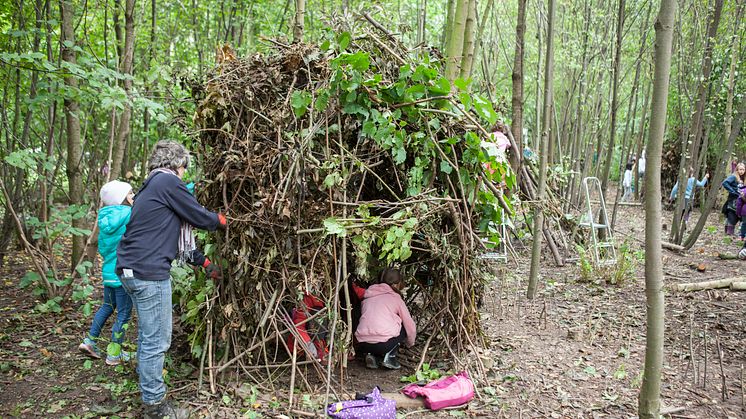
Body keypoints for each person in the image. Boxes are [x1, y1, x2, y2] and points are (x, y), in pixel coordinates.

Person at [116, 141, 226, 419]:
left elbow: (165, 234)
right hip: (148, 273)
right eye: (184, 169)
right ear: (177, 165)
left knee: (147, 337)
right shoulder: (167, 182)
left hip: (132, 270)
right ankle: (155, 408)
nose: (184, 174)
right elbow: (198, 216)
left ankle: (148, 390)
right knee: (157, 341)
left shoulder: (149, 187)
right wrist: (222, 220)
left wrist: (203, 262)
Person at [78, 180, 135, 366]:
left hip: (108, 273)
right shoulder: (128, 213)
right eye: (130, 193)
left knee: (107, 307)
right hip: (123, 274)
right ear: (122, 198)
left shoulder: (103, 217)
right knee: (124, 314)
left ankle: (89, 341)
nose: (134, 196)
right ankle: (114, 354)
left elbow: (103, 247)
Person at [354, 268, 416, 370]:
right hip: (384, 345)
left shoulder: (367, 296)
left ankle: (371, 355)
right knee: (404, 327)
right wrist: (410, 343)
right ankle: (389, 357)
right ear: (397, 284)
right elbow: (410, 325)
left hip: (363, 344)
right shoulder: (395, 298)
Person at [722, 162, 746, 236]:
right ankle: (729, 233)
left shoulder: (744, 178)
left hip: (741, 200)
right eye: (740, 169)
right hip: (733, 201)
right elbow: (725, 182)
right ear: (737, 170)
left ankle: (740, 233)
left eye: (743, 169)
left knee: (741, 217)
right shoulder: (733, 176)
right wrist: (732, 191)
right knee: (732, 215)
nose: (741, 171)